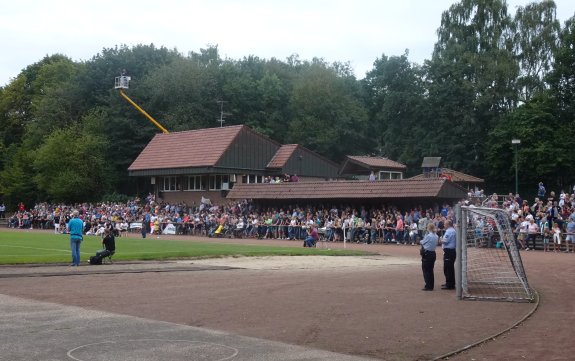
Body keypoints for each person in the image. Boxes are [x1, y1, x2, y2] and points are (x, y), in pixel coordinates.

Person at [420, 223, 438, 291]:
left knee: (426, 270)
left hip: (427, 253)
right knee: (430, 270)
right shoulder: (436, 235)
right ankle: (431, 285)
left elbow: (423, 242)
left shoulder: (429, 235)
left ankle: (428, 285)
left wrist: (421, 241)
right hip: (433, 253)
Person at [440, 220, 456, 290]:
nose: (444, 225)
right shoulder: (453, 230)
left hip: (449, 251)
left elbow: (445, 241)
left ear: (448, 225)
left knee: (448, 268)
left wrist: (440, 239)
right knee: (449, 268)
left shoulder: (449, 231)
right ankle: (449, 283)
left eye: (445, 224)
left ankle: (449, 284)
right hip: (451, 251)